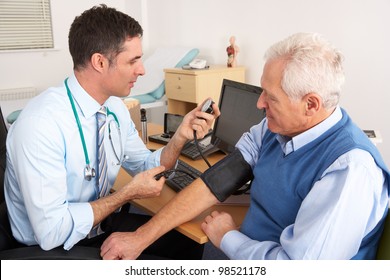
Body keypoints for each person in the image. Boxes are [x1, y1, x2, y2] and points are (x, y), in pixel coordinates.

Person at [101, 32, 390, 260]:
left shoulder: (350, 171)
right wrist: (142, 236)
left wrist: (228, 237)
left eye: (270, 97)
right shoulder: (274, 127)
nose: (259, 104)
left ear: (311, 104)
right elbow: (215, 182)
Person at [4, 4, 219, 259]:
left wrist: (180, 136)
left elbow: (147, 167)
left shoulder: (113, 108)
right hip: (48, 246)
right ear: (100, 62)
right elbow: (52, 231)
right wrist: (126, 194)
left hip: (98, 226)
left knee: (185, 239)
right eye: (133, 61)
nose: (142, 70)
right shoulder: (41, 125)